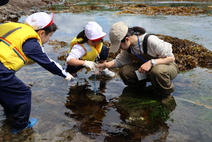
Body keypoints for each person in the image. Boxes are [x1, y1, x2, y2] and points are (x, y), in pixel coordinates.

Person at [0, 12, 74, 134]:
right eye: (50, 35)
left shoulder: (14, 27)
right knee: (23, 94)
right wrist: (66, 75)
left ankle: (11, 114)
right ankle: (20, 126)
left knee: (6, 90)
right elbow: (48, 62)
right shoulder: (31, 40)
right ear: (41, 33)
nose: (49, 39)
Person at [97, 21, 179, 99]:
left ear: (127, 39)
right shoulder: (128, 47)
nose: (119, 48)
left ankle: (166, 94)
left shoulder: (150, 40)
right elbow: (119, 61)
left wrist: (151, 62)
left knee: (157, 71)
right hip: (147, 70)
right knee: (125, 71)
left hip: (168, 66)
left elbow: (171, 58)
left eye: (119, 46)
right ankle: (139, 90)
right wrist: (104, 65)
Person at [66, 21, 115, 87]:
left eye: (99, 40)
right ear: (85, 37)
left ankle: (102, 68)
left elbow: (98, 46)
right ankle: (73, 77)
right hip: (80, 61)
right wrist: (85, 63)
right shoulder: (79, 47)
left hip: (93, 57)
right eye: (93, 41)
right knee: (72, 66)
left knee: (104, 49)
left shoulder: (97, 42)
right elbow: (69, 60)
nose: (96, 43)